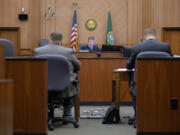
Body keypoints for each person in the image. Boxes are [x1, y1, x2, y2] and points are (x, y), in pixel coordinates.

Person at [126, 28, 172, 124]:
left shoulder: (136, 48)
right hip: (163, 84)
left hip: (141, 84)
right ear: (156, 36)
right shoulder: (165, 47)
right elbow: (171, 64)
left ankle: (138, 117)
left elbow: (129, 66)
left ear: (144, 37)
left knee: (134, 90)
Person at [34, 32, 81, 120]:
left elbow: (34, 67)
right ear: (61, 40)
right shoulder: (67, 52)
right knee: (73, 80)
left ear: (50, 39)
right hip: (64, 87)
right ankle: (67, 114)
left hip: (43, 86)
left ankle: (43, 113)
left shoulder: (38, 51)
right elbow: (78, 66)